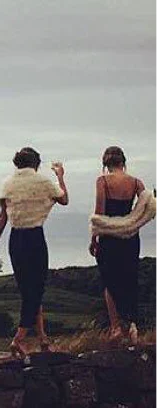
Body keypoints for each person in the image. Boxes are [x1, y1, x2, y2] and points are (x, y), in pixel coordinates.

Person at [0, 147, 68, 357]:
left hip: (15, 239)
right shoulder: (42, 181)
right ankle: (18, 339)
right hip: (34, 238)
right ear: (36, 163)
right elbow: (64, 199)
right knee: (36, 290)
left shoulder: (8, 184)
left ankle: (43, 339)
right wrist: (60, 176)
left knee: (28, 291)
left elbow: (2, 217)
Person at [89, 146, 144, 344]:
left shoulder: (102, 181)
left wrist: (94, 238)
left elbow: (100, 212)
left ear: (105, 163)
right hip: (130, 237)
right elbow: (147, 204)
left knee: (109, 280)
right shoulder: (136, 182)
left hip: (109, 237)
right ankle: (132, 324)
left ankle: (116, 327)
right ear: (123, 162)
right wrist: (132, 221)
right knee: (129, 278)